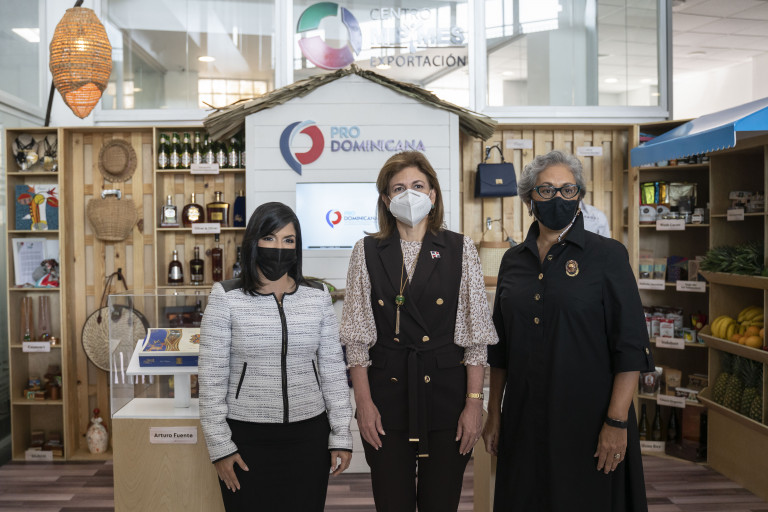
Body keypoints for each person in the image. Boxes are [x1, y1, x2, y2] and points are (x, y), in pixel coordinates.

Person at [482, 150, 654, 512]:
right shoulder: (512, 261)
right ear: (529, 199)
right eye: (546, 190)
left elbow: (630, 347)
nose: (557, 198)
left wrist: (616, 421)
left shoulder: (608, 256)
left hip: (589, 420)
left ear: (579, 197)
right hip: (524, 418)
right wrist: (494, 412)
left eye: (567, 189)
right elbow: (500, 348)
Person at [341, 151, 498, 511]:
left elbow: (475, 338)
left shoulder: (460, 248)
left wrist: (474, 404)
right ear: (386, 199)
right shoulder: (366, 251)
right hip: (385, 397)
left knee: (441, 502)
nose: (409, 194)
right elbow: (356, 341)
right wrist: (363, 404)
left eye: (417, 186)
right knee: (391, 502)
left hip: (447, 397)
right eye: (398, 188)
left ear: (433, 194)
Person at [198, 202, 353, 512]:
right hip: (246, 438)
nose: (279, 247)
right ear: (253, 242)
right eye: (269, 238)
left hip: (309, 436)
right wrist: (220, 447)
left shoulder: (318, 296)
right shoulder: (226, 297)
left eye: (288, 240)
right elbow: (211, 379)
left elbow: (333, 371)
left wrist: (341, 434)